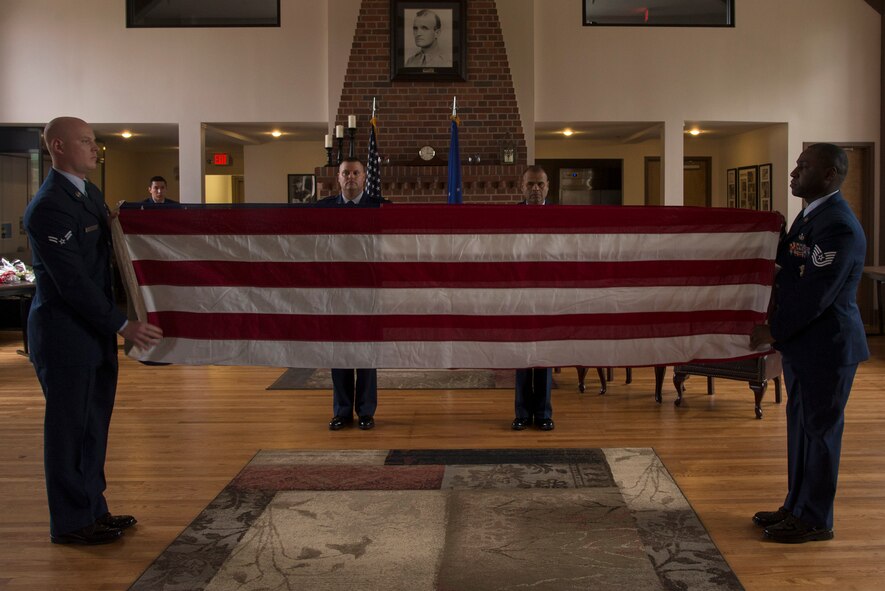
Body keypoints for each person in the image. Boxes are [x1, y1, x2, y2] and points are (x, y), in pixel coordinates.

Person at [24, 117, 163, 545]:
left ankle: (92, 508)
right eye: (85, 141)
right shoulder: (50, 205)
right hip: (65, 336)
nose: (94, 148)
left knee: (92, 426)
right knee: (68, 432)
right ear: (59, 147)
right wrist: (123, 324)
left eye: (94, 141)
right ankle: (70, 523)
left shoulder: (87, 192)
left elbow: (104, 249)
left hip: (91, 334)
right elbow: (73, 283)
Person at [750, 143, 869, 543]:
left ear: (829, 174)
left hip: (828, 347)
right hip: (806, 347)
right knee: (801, 430)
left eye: (803, 166)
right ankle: (795, 506)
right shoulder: (810, 217)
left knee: (820, 433)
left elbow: (816, 293)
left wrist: (774, 330)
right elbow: (788, 264)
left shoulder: (837, 225)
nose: (794, 172)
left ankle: (816, 519)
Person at [317, 158, 387, 431]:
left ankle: (366, 411)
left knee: (366, 354)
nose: (351, 178)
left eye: (356, 173)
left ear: (364, 177)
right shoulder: (321, 210)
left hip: (369, 291)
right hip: (335, 292)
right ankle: (342, 411)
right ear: (338, 178)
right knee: (340, 353)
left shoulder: (380, 207)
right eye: (346, 173)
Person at [511, 166, 554, 431]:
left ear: (548, 186)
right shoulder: (511, 216)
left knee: (545, 357)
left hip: (549, 295)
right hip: (520, 294)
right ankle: (522, 413)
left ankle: (544, 413)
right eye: (530, 185)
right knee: (522, 356)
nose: (535, 189)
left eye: (540, 184)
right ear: (521, 187)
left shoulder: (559, 217)